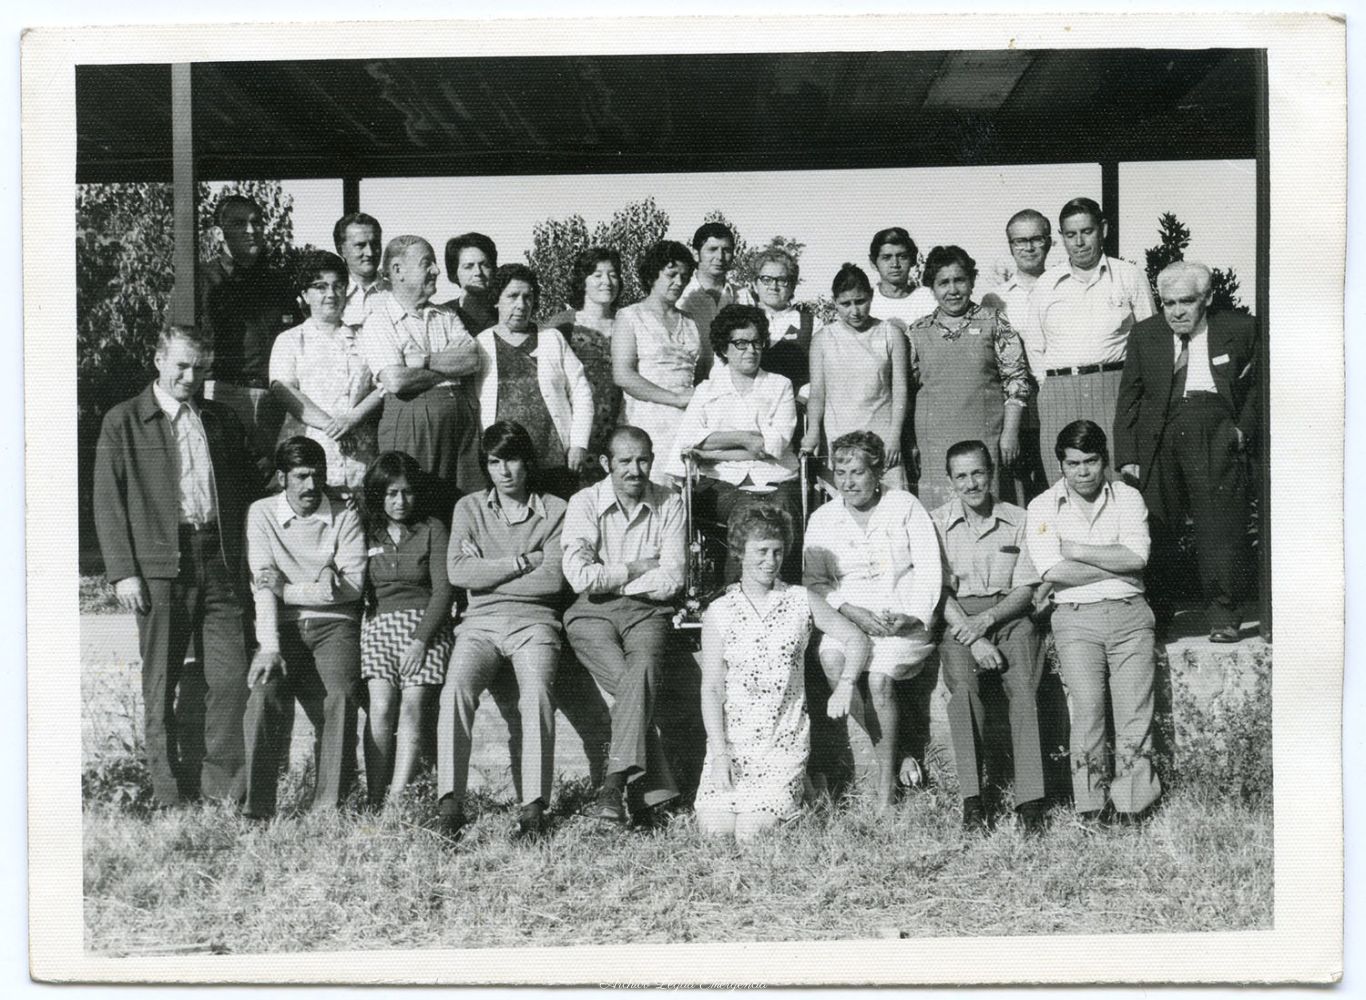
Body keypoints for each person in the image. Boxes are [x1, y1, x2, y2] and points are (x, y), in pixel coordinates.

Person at [93, 325, 258, 809]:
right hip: (160, 566)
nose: (190, 377)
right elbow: (107, 500)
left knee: (230, 679)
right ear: (159, 360)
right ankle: (168, 795)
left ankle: (221, 791)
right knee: (161, 681)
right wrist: (124, 571)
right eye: (182, 366)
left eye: (200, 368)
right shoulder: (125, 420)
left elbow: (251, 483)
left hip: (219, 560)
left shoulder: (219, 419)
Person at [695, 504, 871, 842]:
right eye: (761, 551)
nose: (771, 560)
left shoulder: (800, 600)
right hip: (733, 744)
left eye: (777, 551)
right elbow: (712, 689)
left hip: (783, 742)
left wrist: (846, 684)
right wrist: (719, 755)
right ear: (739, 552)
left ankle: (805, 790)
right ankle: (806, 790)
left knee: (751, 834)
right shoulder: (719, 611)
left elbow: (856, 639)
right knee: (715, 832)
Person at [437, 422, 569, 839]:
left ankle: (533, 808)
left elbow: (552, 580)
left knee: (536, 695)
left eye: (512, 460)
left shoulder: (556, 510)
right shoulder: (469, 508)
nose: (504, 471)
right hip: (479, 624)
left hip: (535, 622)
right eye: (494, 462)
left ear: (528, 462)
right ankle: (450, 803)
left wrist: (486, 572)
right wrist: (521, 562)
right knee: (455, 690)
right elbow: (458, 572)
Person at [1114, 260, 1259, 642]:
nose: (1176, 311)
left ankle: (1224, 615)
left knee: (1220, 526)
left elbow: (1261, 384)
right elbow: (1130, 395)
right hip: (1158, 433)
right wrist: (1127, 454)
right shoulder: (1146, 334)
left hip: (1214, 427)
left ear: (1206, 298)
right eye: (1168, 303)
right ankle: (1158, 614)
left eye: (1186, 301)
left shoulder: (1239, 329)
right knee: (1157, 524)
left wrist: (1242, 429)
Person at [1025, 420, 1162, 823]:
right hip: (1075, 620)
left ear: (1105, 460)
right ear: (1060, 465)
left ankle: (1133, 804)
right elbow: (1052, 570)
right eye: (1073, 463)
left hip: (1130, 615)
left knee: (1134, 711)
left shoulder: (1128, 498)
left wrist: (1077, 549)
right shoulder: (1042, 506)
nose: (1082, 472)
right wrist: (1114, 562)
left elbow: (1138, 558)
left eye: (1091, 461)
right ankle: (1091, 805)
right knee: (1087, 709)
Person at [803, 431, 940, 808]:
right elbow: (815, 581)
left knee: (879, 680)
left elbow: (929, 569)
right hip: (848, 617)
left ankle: (885, 788)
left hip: (900, 616)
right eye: (840, 473)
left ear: (878, 472)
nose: (848, 483)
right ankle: (897, 754)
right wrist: (849, 611)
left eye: (858, 472)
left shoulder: (904, 505)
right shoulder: (824, 518)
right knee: (833, 660)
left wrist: (911, 617)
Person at [561, 426, 685, 826]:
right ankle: (652, 793)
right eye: (625, 461)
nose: (635, 470)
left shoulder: (670, 503)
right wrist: (636, 567)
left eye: (643, 460)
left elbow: (672, 579)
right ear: (606, 463)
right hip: (591, 612)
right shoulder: (584, 502)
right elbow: (580, 578)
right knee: (635, 686)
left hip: (648, 612)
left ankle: (612, 787)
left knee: (641, 670)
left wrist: (610, 575)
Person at [243, 437, 367, 818]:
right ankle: (257, 809)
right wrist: (269, 646)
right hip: (282, 628)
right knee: (263, 697)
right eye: (301, 476)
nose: (311, 485)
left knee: (340, 698)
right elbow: (264, 585)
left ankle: (328, 808)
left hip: (336, 625)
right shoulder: (262, 513)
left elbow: (351, 587)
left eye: (317, 475)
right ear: (282, 478)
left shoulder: (345, 514)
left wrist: (288, 590)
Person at [930, 440, 1047, 833]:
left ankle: (1030, 802)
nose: (971, 484)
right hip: (958, 618)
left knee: (1025, 690)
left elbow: (1026, 588)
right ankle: (974, 800)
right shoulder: (936, 523)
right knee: (964, 693)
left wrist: (989, 621)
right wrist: (975, 636)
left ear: (991, 473)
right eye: (961, 476)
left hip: (1010, 615)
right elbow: (937, 591)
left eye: (978, 473)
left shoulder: (1019, 519)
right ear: (950, 481)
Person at [663, 303, 802, 583]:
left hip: (777, 479)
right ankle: (737, 595)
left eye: (756, 342)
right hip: (723, 483)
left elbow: (773, 445)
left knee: (781, 514)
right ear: (724, 348)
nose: (750, 350)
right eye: (740, 343)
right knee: (749, 517)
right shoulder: (707, 390)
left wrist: (709, 451)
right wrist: (744, 438)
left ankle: (784, 593)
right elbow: (688, 440)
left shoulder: (780, 386)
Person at [1019, 198, 1156, 474]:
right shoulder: (1046, 284)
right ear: (1062, 237)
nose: (1079, 242)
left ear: (1102, 229)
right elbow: (1034, 347)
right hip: (1059, 394)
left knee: (1119, 476)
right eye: (1071, 235)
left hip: (1115, 391)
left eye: (1087, 232)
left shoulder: (1129, 276)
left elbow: (1151, 341)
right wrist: (1051, 386)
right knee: (1064, 478)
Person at [359, 235, 483, 519]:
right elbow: (396, 381)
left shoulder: (446, 315)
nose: (436, 270)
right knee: (416, 507)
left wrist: (423, 360)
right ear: (398, 270)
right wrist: (447, 365)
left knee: (465, 509)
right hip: (412, 424)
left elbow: (472, 359)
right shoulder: (379, 321)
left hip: (460, 425)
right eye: (427, 263)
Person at [358, 451, 454, 807]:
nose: (400, 502)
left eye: (408, 492)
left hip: (425, 627)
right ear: (379, 494)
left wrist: (420, 641)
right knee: (381, 706)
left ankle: (396, 801)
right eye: (391, 493)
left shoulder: (432, 529)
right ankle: (373, 798)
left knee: (412, 708)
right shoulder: (366, 530)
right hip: (378, 626)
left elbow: (443, 591)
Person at [904, 245, 1032, 510]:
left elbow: (1016, 380)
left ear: (972, 282)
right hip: (935, 443)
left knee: (990, 507)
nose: (953, 290)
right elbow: (908, 391)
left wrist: (1010, 433)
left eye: (959, 280)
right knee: (941, 513)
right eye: (943, 283)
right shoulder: (917, 331)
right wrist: (912, 442)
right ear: (932, 288)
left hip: (987, 437)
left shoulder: (994, 321)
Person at [474, 263, 594, 499]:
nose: (521, 305)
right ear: (496, 300)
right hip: (505, 465)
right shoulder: (480, 344)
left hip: (554, 459)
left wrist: (579, 443)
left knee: (559, 516)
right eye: (512, 296)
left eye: (527, 297)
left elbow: (581, 392)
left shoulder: (551, 339)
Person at [198, 193, 301, 458]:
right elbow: (179, 342)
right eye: (239, 224)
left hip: (274, 398)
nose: (251, 230)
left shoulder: (277, 283)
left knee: (271, 474)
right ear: (218, 234)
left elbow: (300, 340)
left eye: (256, 222)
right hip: (219, 396)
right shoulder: (202, 281)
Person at [269, 250, 382, 492]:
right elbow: (283, 389)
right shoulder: (290, 340)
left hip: (359, 453)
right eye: (320, 287)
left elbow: (382, 386)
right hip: (308, 449)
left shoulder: (366, 337)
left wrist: (352, 419)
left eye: (338, 286)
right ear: (305, 295)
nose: (331, 294)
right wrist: (333, 426)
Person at [802, 263, 909, 491]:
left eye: (860, 301)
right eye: (846, 304)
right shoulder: (822, 339)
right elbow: (817, 393)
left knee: (890, 502)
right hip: (838, 435)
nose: (855, 311)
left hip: (881, 438)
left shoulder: (891, 333)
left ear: (871, 296)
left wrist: (895, 437)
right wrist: (813, 432)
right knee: (846, 501)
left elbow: (900, 390)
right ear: (835, 302)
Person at [612, 240, 706, 485]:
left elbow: (701, 374)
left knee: (688, 490)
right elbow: (623, 375)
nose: (679, 282)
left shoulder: (691, 322)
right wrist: (675, 398)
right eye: (671, 274)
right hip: (646, 419)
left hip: (687, 419)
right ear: (653, 274)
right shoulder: (630, 316)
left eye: (684, 277)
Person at [979, 208, 1054, 505]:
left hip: (1057, 402)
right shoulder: (995, 299)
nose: (1029, 247)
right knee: (1021, 493)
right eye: (1020, 241)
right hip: (1017, 414)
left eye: (1037, 239)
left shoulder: (1063, 286)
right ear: (1010, 246)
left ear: (1049, 241)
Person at [552, 247, 625, 475]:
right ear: (582, 281)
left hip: (621, 426)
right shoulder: (563, 327)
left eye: (613, 275)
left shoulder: (629, 322)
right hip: (578, 431)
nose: (607, 282)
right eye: (597, 275)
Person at [745, 246, 814, 394]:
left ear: (793, 286)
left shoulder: (811, 324)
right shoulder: (742, 320)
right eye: (766, 279)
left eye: (782, 280)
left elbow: (820, 375)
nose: (773, 286)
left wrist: (801, 400)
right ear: (755, 284)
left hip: (795, 404)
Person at [676, 221, 741, 343]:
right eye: (712, 249)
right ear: (696, 254)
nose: (720, 257)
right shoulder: (680, 296)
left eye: (726, 250)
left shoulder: (744, 297)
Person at [867, 226, 937, 333]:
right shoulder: (867, 301)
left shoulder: (929, 298)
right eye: (886, 257)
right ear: (873, 263)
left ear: (912, 260)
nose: (895, 264)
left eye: (902, 256)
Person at [333, 212, 388, 328]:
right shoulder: (332, 295)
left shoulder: (397, 294)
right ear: (341, 250)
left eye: (375, 244)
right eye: (360, 245)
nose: (370, 253)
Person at [441, 232, 498, 334]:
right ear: (454, 273)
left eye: (485, 265)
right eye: (468, 267)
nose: (478, 272)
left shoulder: (505, 315)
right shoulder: (442, 314)